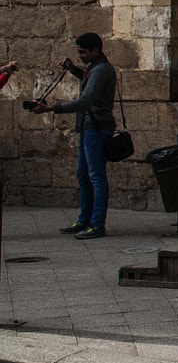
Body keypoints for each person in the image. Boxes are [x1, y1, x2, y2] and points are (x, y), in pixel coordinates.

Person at [27, 33, 116, 239]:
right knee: (83, 176)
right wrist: (74, 70)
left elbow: (84, 101)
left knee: (96, 177)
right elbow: (87, 78)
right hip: (88, 128)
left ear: (95, 50)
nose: (81, 56)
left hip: (97, 129)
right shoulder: (95, 68)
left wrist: (51, 109)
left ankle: (96, 224)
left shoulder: (102, 70)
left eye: (83, 52)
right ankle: (85, 220)